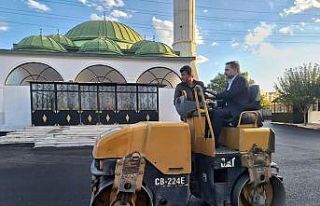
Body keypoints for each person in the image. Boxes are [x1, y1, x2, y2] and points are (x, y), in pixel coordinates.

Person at [211, 61, 250, 147]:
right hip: (230, 108)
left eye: (227, 70)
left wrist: (215, 96)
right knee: (210, 112)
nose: (225, 73)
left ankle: (214, 143)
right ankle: (209, 138)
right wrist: (213, 103)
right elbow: (226, 98)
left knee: (218, 114)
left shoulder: (241, 80)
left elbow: (230, 94)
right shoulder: (230, 82)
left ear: (235, 69)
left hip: (237, 109)